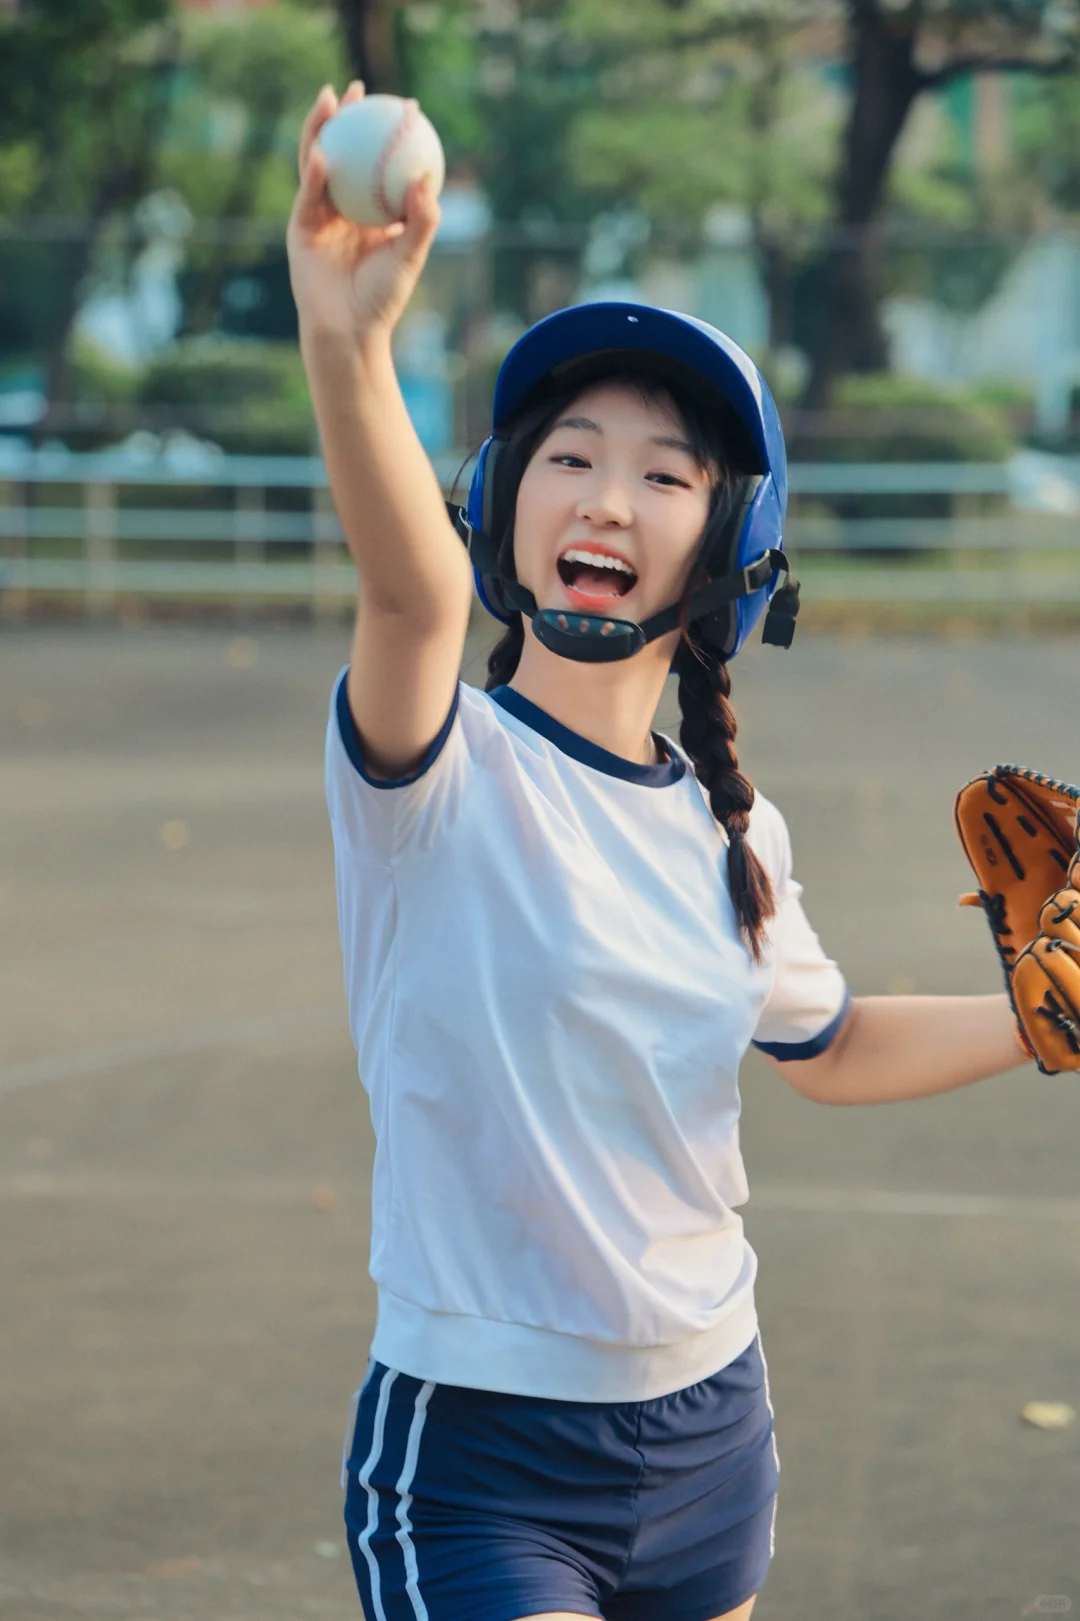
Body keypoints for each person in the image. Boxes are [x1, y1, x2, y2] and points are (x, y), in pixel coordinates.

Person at [287, 83, 1028, 1621]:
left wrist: (1039, 1016)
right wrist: (350, 346)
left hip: (712, 1436)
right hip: (480, 1458)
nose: (609, 499)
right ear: (504, 501)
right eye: (570, 457)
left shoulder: (729, 827)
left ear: (731, 544)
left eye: (667, 474)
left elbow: (831, 1043)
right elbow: (412, 596)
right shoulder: (437, 771)